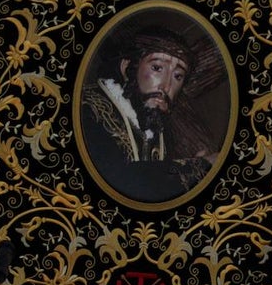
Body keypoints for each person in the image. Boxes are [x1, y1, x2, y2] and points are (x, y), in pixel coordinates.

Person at [80, 25, 218, 203]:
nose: (166, 86)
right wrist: (201, 166)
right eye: (157, 68)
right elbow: (122, 181)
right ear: (127, 67)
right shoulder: (86, 107)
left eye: (177, 76)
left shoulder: (159, 129)